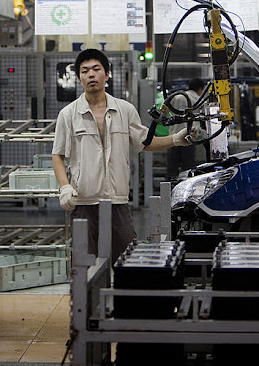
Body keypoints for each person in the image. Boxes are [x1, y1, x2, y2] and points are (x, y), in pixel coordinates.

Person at [52, 49, 195, 260]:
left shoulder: (124, 110)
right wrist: (65, 187)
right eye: (85, 71)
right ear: (79, 77)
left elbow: (145, 142)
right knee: (84, 268)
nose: (91, 75)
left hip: (117, 202)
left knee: (126, 262)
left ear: (107, 74)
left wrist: (175, 139)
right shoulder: (68, 114)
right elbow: (58, 155)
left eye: (96, 69)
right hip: (83, 204)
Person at [166, 77, 205, 179]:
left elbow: (165, 113)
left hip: (172, 139)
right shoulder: (198, 100)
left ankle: (169, 191)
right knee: (188, 171)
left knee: (171, 170)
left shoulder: (177, 96)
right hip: (188, 139)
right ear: (200, 89)